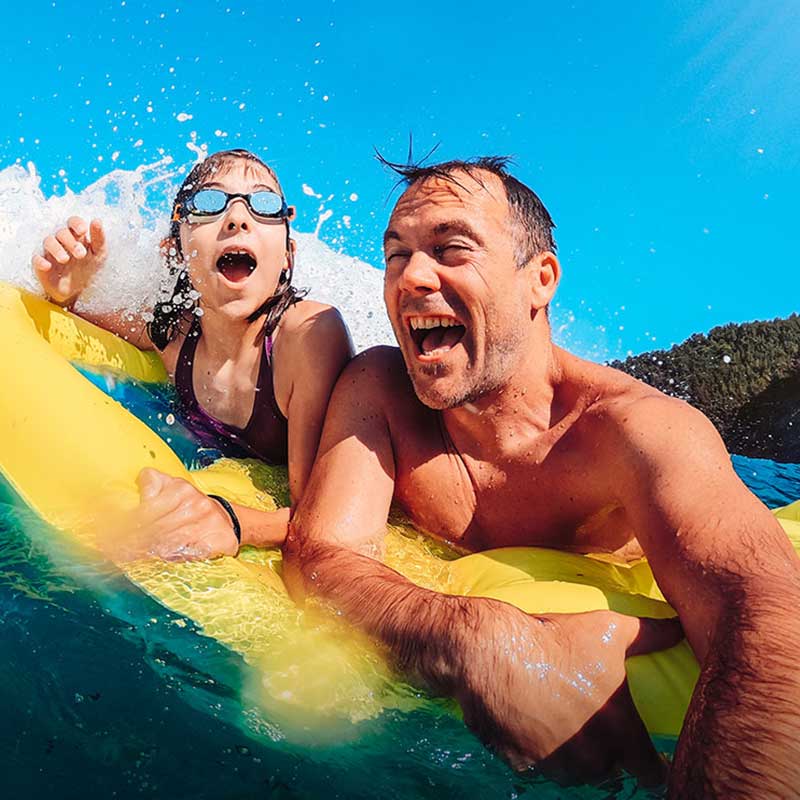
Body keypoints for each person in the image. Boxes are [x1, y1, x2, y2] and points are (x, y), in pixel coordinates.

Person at [132, 156, 800, 796]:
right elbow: (322, 554)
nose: (412, 278)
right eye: (396, 255)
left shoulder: (638, 433)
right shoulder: (380, 389)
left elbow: (764, 610)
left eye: (451, 249)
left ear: (540, 280)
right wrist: (470, 638)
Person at [32, 149, 353, 556]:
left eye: (264, 204)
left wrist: (231, 520)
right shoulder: (174, 336)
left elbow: (321, 513)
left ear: (288, 255)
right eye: (209, 202)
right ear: (175, 251)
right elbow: (74, 317)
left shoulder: (306, 337)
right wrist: (65, 291)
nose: (238, 218)